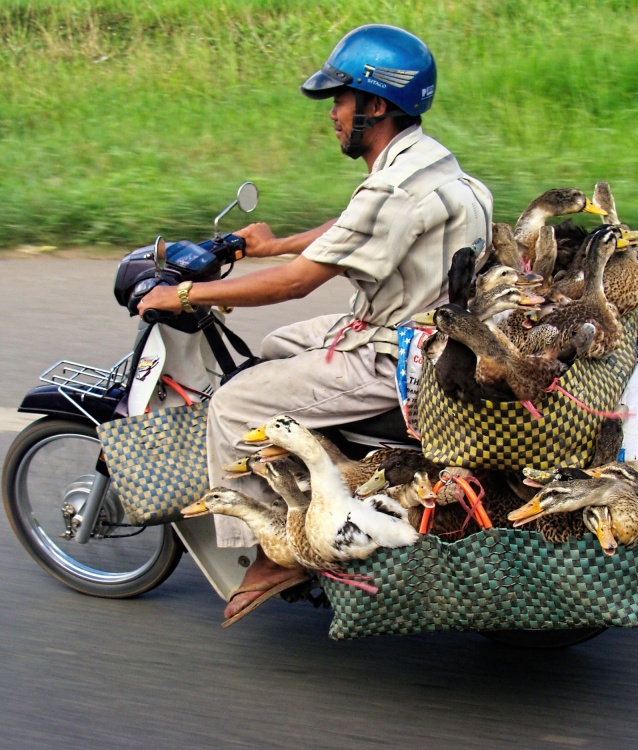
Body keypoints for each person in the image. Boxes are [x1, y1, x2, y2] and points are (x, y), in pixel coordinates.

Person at [137, 24, 494, 625]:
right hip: (419, 330)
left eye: (340, 99)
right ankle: (311, 474)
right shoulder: (429, 167)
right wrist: (269, 245)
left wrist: (186, 293)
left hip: (394, 358)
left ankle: (274, 552)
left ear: (375, 105)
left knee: (231, 402)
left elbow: (297, 283)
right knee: (275, 347)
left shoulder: (392, 188)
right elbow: (349, 228)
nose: (332, 114)